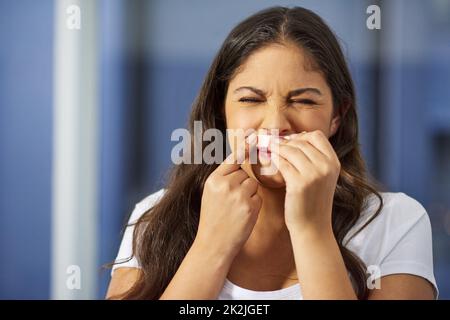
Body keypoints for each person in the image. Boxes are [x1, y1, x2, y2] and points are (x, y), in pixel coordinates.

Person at [106, 6, 438, 300]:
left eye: (304, 101)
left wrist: (312, 229)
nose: (276, 125)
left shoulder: (397, 222)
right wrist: (210, 247)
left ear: (337, 116)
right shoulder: (155, 217)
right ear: (222, 114)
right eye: (251, 99)